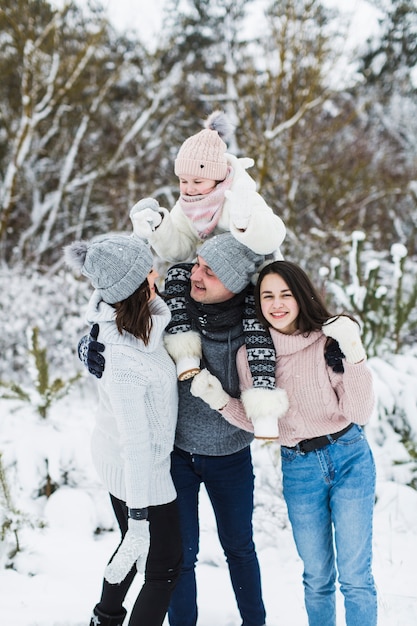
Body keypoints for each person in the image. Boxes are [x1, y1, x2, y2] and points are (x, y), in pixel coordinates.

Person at [81, 233, 289, 626]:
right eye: (197, 264)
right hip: (176, 455)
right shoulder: (173, 306)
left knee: (239, 548)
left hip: (230, 454)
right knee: (179, 557)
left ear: (236, 283)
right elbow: (116, 307)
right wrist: (87, 346)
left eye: (210, 271)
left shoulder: (256, 322)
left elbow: (295, 318)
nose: (196, 274)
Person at [191, 260, 378, 626]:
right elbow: (261, 422)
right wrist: (220, 400)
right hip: (299, 468)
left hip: (349, 457)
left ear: (301, 296)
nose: (277, 304)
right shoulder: (252, 355)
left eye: (285, 295)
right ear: (257, 302)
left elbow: (358, 411)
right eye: (267, 296)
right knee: (317, 578)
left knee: (355, 578)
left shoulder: (328, 342)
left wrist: (354, 352)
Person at [130, 110, 286, 425]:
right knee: (175, 275)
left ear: (217, 176)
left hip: (251, 276)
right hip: (211, 276)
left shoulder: (239, 194)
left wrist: (245, 221)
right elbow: (180, 248)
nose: (188, 188)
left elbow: (273, 235)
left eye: (197, 181)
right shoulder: (189, 204)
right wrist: (160, 225)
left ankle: (264, 403)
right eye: (183, 180)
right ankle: (184, 350)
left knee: (254, 322)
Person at [64, 234, 182, 626]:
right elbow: (135, 444)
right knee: (164, 564)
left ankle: (106, 617)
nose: (156, 273)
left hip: (123, 453)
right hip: (137, 465)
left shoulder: (137, 319)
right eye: (149, 270)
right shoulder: (122, 359)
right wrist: (138, 516)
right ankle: (109, 615)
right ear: (134, 287)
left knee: (135, 549)